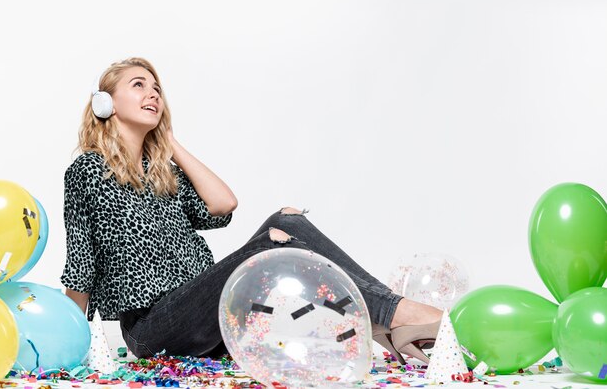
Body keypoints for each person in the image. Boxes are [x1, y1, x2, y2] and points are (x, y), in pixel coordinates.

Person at [61, 57, 442, 362]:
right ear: (105, 102)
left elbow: (222, 204)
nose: (154, 94)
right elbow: (81, 263)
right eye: (139, 85)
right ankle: (394, 316)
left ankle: (385, 313)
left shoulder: (164, 174)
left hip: (202, 312)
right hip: (151, 327)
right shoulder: (88, 171)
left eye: (157, 88)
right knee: (274, 243)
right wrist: (66, 341)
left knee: (287, 220)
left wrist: (169, 142)